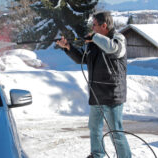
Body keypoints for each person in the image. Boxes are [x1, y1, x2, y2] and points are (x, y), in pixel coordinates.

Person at [56, 12, 131, 158]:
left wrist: (95, 38)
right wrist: (68, 47)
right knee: (94, 127)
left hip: (112, 95)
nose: (92, 28)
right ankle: (97, 154)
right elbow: (82, 59)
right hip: (96, 94)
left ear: (104, 26)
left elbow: (112, 49)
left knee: (115, 131)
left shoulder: (118, 39)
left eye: (94, 25)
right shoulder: (94, 42)